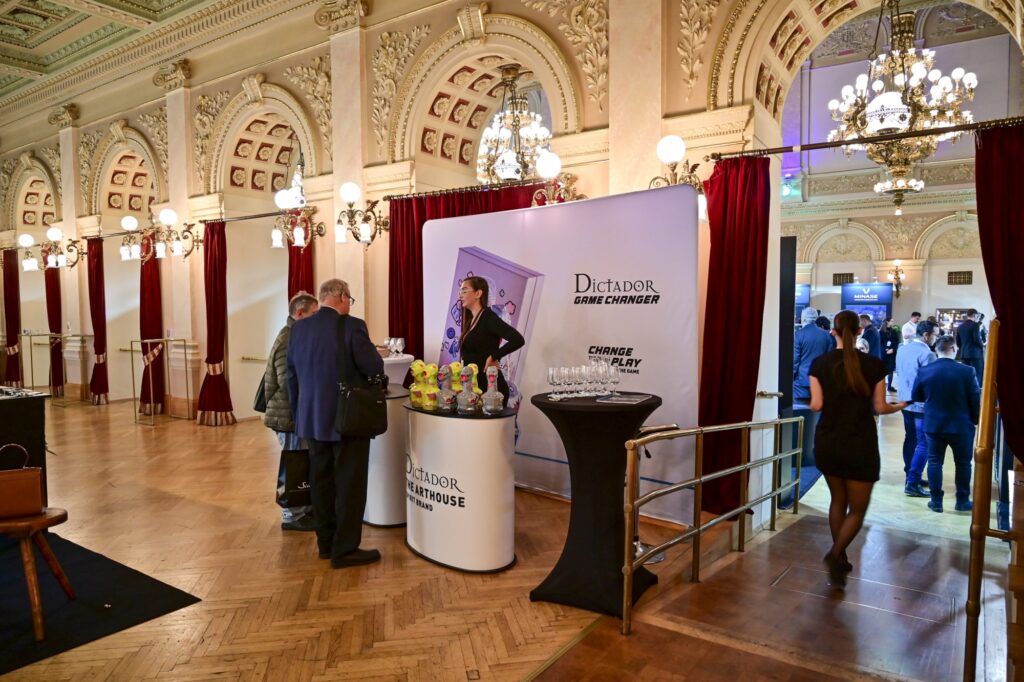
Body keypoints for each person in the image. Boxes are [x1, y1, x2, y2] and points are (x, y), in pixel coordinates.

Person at [287, 279, 385, 568]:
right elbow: (373, 366)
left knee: (321, 483)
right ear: (342, 296)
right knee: (349, 485)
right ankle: (345, 550)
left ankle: (326, 545)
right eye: (349, 300)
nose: (349, 305)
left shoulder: (299, 329)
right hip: (347, 419)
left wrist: (299, 415)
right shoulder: (352, 325)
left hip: (311, 420)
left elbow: (291, 377)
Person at [809, 310, 906, 587]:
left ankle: (840, 557)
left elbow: (816, 405)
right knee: (858, 509)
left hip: (828, 441)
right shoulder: (874, 365)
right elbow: (880, 407)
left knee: (837, 501)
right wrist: (900, 405)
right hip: (860, 443)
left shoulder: (820, 364)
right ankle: (835, 554)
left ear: (833, 332)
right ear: (860, 331)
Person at [264, 291, 319, 531]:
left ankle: (302, 509)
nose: (317, 318)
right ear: (300, 313)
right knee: (294, 462)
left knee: (300, 460)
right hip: (288, 415)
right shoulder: (288, 338)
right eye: (314, 314)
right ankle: (292, 515)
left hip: (293, 413)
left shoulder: (295, 335)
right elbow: (287, 382)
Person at [913, 335, 981, 513]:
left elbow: (916, 395)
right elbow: (975, 399)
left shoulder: (925, 371)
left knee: (935, 462)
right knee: (963, 463)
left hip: (934, 424)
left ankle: (936, 501)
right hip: (961, 424)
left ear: (936, 350)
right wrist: (975, 419)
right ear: (954, 349)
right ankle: (962, 500)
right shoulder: (967, 371)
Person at [458, 276, 525, 407]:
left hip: (491, 389)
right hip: (476, 387)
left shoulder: (488, 317)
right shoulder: (471, 320)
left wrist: (494, 356)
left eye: (464, 291)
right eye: (460, 291)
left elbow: (517, 339)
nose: (461, 295)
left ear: (478, 293)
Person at [896, 319, 939, 497]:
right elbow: (930, 382)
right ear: (926, 335)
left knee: (910, 439)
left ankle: (911, 475)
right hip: (921, 404)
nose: (936, 338)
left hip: (904, 401)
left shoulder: (902, 349)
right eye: (935, 335)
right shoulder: (927, 354)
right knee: (924, 443)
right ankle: (912, 483)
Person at [793, 306, 834, 470]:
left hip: (801, 383)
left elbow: (795, 361)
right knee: (818, 419)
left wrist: (792, 378)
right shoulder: (826, 336)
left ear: (803, 319)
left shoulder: (799, 335)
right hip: (820, 383)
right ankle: (816, 453)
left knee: (799, 419)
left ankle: (800, 453)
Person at [955, 308, 985, 381]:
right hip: (975, 354)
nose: (977, 318)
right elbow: (976, 340)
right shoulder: (975, 325)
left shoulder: (960, 327)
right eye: (977, 316)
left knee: (966, 375)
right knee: (977, 375)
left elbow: (958, 342)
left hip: (964, 354)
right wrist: (982, 346)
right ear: (974, 315)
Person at [881, 318, 900, 392]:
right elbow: (880, 342)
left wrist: (893, 349)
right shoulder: (881, 332)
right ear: (887, 322)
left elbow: (897, 341)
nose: (893, 322)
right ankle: (881, 386)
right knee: (882, 370)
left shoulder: (894, 331)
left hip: (892, 353)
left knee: (891, 370)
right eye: (892, 321)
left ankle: (889, 386)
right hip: (884, 354)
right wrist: (885, 350)